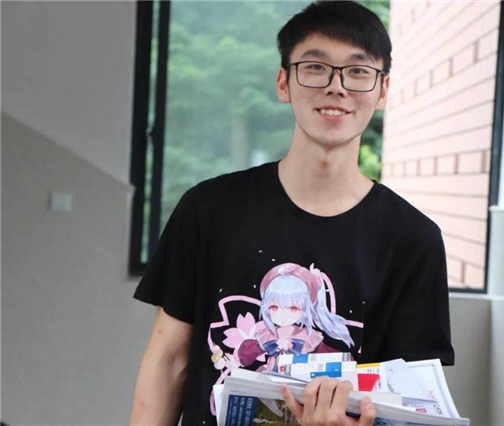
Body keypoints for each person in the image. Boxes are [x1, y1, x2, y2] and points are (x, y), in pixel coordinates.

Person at [130, 1, 455, 425]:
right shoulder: (208, 209)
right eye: (316, 68)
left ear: (382, 91)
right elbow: (168, 361)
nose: (336, 86)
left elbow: (413, 406)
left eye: (358, 71)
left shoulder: (413, 239)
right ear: (284, 82)